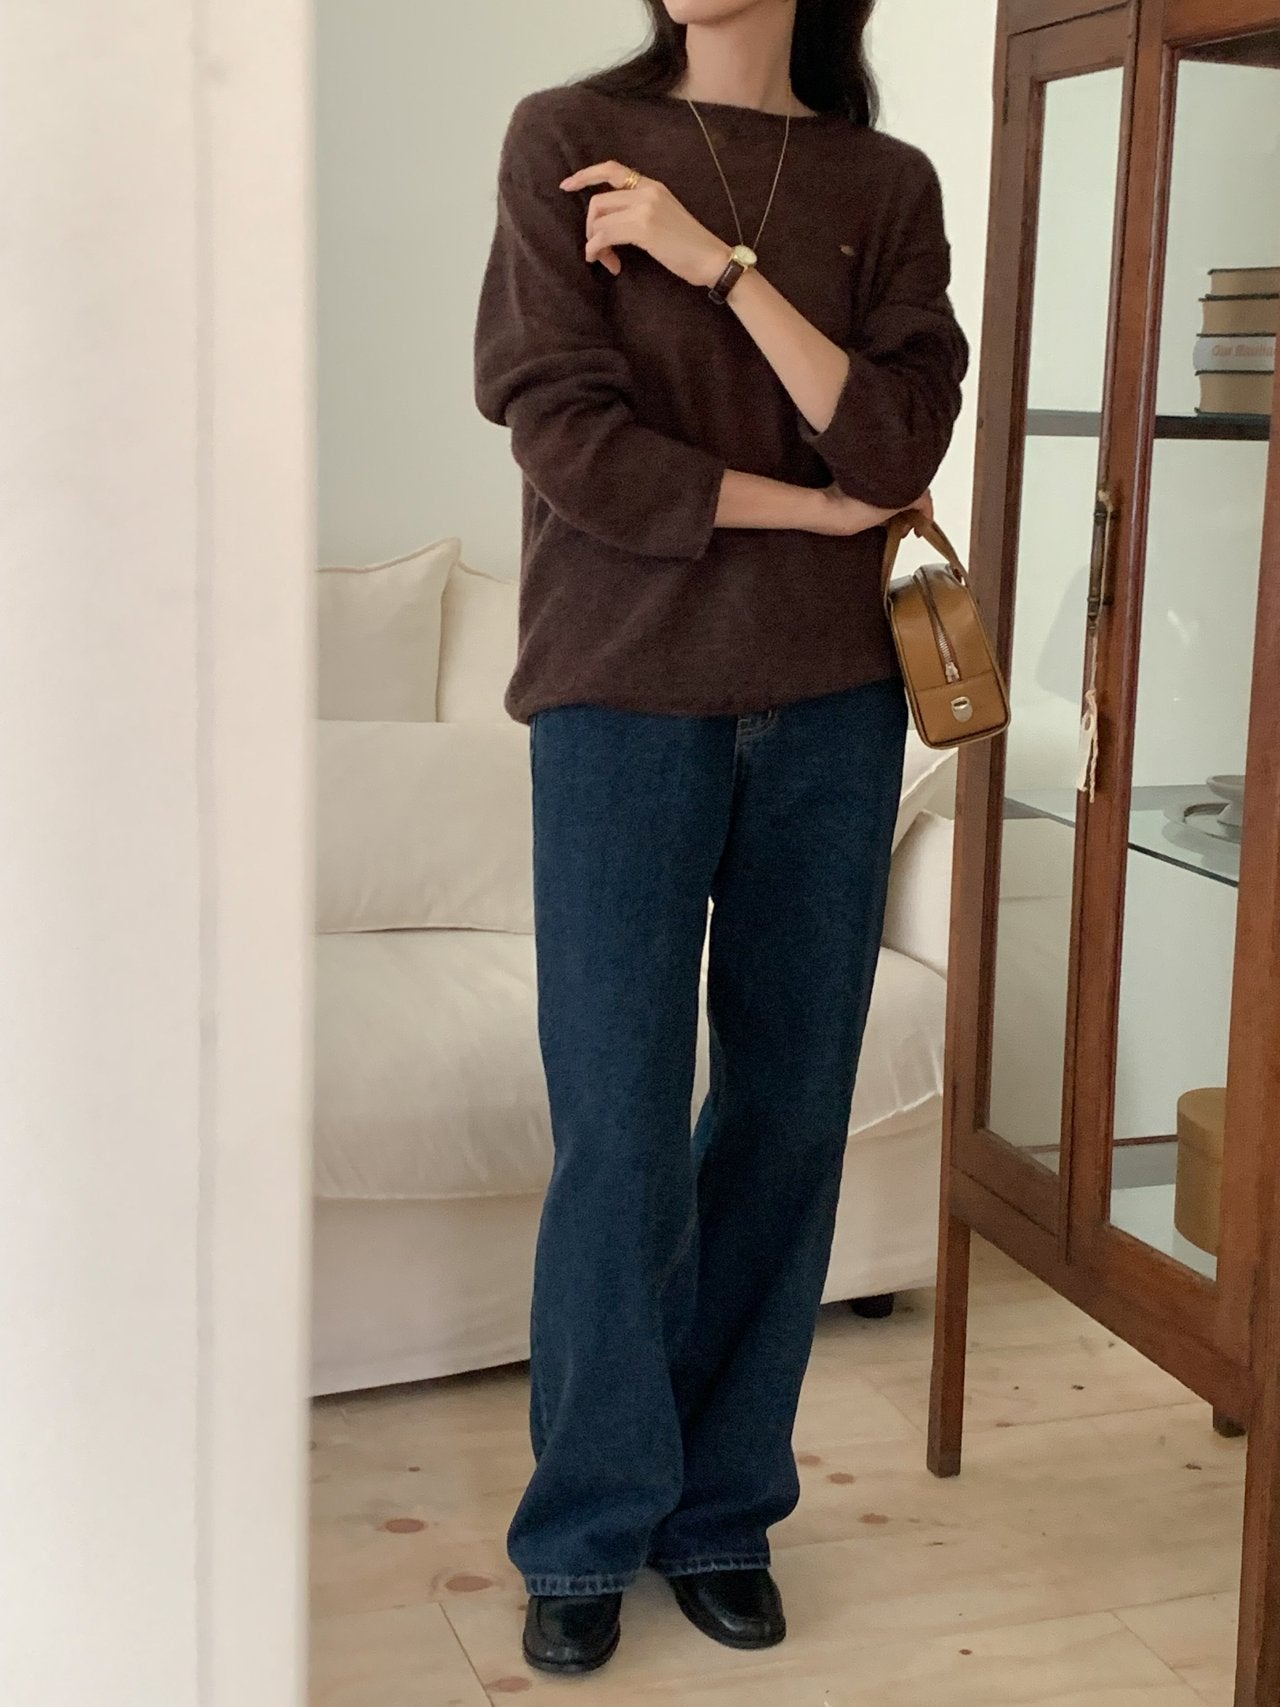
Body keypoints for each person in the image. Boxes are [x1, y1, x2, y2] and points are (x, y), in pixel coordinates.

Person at [472, 0, 967, 1676]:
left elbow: (896, 441)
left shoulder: (883, 183)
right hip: (620, 698)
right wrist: (810, 509)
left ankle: (721, 1510)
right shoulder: (565, 138)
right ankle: (587, 1526)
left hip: (835, 710)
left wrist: (718, 263)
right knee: (617, 1127)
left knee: (786, 1118)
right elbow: (568, 441)